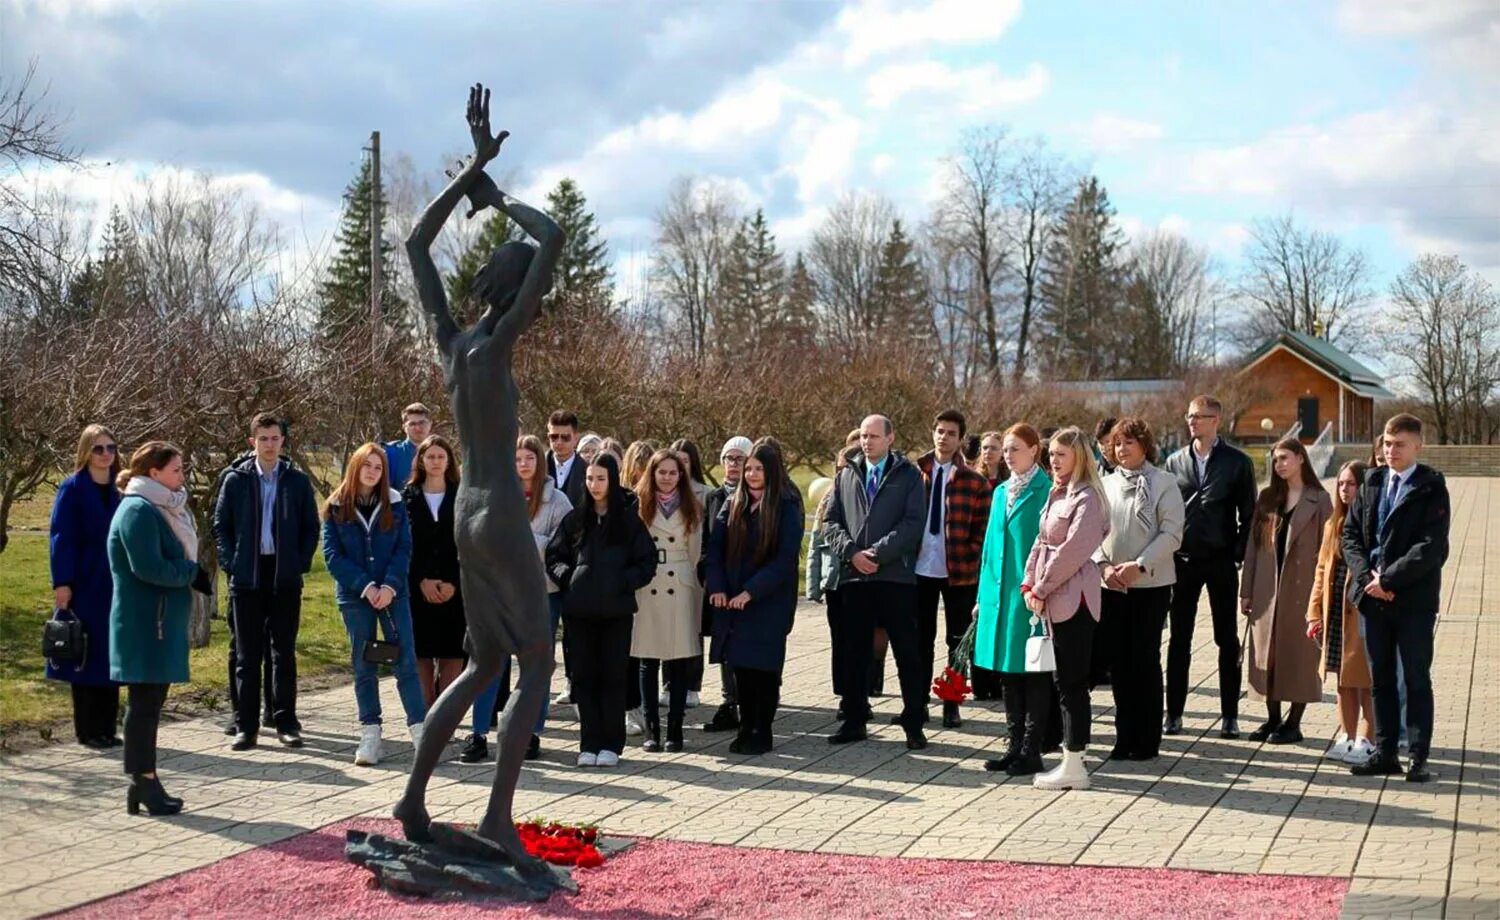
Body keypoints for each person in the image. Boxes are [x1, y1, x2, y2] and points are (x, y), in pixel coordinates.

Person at [1344, 414, 1449, 783]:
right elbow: (1351, 536)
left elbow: (1431, 547)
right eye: (1387, 444)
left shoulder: (1431, 486)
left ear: (1418, 446)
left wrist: (1389, 579)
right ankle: (1386, 752)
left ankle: (1418, 756)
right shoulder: (1372, 481)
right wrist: (1366, 579)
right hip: (1373, 599)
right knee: (1381, 679)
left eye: (1399, 444)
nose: (1391, 451)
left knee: (1416, 678)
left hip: (1413, 601)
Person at [108, 442, 212, 816]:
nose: (182, 475)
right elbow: (148, 567)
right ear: (153, 473)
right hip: (144, 622)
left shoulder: (160, 507)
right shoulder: (138, 510)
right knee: (144, 705)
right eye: (176, 469)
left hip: (159, 620)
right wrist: (190, 572)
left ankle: (145, 781)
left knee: (150, 703)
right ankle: (143, 781)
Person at [213, 412, 320, 750]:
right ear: (252, 442)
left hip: (284, 577)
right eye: (263, 439)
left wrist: (298, 563)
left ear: (282, 441)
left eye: (275, 438)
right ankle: (246, 725)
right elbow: (221, 526)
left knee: (284, 653)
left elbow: (310, 528)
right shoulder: (236, 479)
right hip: (247, 577)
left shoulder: (297, 481)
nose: (270, 445)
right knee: (247, 655)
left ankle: (285, 720)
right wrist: (232, 564)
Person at [822, 414, 930, 751]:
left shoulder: (908, 475)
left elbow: (914, 523)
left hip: (894, 577)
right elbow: (831, 521)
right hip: (855, 577)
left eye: (874, 436)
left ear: (890, 438)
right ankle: (855, 719)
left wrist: (877, 554)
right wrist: (852, 553)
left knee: (906, 652)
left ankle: (914, 721)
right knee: (854, 651)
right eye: (864, 436)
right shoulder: (846, 475)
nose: (867, 442)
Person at [545, 454, 658, 767]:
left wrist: (622, 581)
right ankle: (589, 743)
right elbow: (553, 557)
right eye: (590, 478)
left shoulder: (628, 521)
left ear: (612, 480)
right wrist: (570, 577)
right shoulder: (575, 519)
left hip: (616, 612)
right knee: (584, 677)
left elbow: (648, 561)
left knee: (613, 676)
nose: (594, 485)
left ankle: (611, 744)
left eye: (601, 479)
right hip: (579, 612)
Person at [466, 434, 572, 763]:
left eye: (529, 458)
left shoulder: (558, 501)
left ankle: (530, 732)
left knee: (534, 666)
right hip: (498, 593)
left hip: (540, 594)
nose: (523, 464)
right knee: (489, 664)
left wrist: (525, 543)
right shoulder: (495, 496)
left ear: (540, 462)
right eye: (517, 459)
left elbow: (561, 547)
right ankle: (480, 732)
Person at [322, 443, 428, 766]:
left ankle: (420, 731)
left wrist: (390, 587)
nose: (372, 471)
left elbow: (403, 548)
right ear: (355, 467)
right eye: (366, 465)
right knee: (364, 665)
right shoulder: (336, 507)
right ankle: (370, 734)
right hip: (356, 598)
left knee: (405, 661)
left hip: (393, 595)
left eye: (378, 467)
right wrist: (366, 587)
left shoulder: (394, 504)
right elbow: (332, 557)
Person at [1163, 395, 1257, 739]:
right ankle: (1173, 714)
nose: (1193, 421)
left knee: (1226, 639)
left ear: (1216, 419)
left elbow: (1249, 515)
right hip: (1183, 562)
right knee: (1179, 640)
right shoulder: (1174, 462)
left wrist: (1236, 554)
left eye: (1200, 416)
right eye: (1190, 416)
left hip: (1220, 561)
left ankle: (1230, 715)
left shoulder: (1237, 463)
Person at [1022, 427, 1109, 790]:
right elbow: (1041, 542)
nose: (1053, 461)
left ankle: (1074, 762)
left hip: (1075, 598)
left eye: (1061, 455)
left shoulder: (1088, 499)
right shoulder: (1057, 494)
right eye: (1052, 454)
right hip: (1052, 596)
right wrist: (1028, 583)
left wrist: (1041, 587)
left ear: (1079, 457)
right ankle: (1072, 757)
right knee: (1061, 681)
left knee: (1072, 683)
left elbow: (1071, 552)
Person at [1094, 418, 1184, 762]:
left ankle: (1147, 739)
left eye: (1129, 442)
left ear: (1145, 445)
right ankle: (1123, 736)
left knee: (1144, 660)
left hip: (1151, 583)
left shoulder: (1164, 482)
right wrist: (1103, 566)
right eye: (1117, 444)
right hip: (1113, 585)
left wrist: (1140, 564)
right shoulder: (1104, 485)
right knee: (1119, 663)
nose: (1122, 449)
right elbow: (1094, 532)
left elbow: (1172, 533)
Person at [707, 442, 805, 755]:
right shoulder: (733, 503)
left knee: (763, 671)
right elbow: (715, 549)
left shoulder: (785, 505)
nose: (750, 474)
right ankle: (745, 726)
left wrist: (752, 591)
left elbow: (785, 559)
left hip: (766, 602)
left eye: (757, 469)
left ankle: (762, 729)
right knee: (741, 670)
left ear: (771, 471)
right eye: (748, 468)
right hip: (733, 601)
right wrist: (719, 588)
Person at [973, 424, 1053, 775]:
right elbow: (990, 549)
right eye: (1005, 449)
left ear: (1035, 450)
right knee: (1007, 672)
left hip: (1028, 595)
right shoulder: (1001, 490)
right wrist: (981, 596)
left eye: (1015, 448)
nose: (1008, 455)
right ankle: (1012, 745)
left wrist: (1041, 589)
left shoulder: (1045, 490)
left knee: (1031, 671)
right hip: (998, 594)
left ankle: (1032, 748)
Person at [1240, 437, 1330, 745]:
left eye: (1284, 458)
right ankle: (1273, 719)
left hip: (1304, 589)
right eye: (1275, 459)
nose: (1279, 464)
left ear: (1301, 458)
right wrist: (1247, 590)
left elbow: (1329, 551)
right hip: (1267, 591)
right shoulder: (1267, 498)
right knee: (1267, 655)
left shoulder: (1320, 499)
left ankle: (1294, 723)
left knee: (1300, 656)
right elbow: (1253, 546)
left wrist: (1322, 597)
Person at [47, 424, 124, 749]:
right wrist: (62, 582)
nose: (106, 454)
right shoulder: (73, 488)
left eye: (110, 448)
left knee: (112, 654)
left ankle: (107, 726)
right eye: (98, 448)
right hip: (85, 580)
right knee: (86, 654)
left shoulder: (122, 488)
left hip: (117, 582)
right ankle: (88, 730)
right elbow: (61, 538)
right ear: (86, 451)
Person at [914, 409, 991, 729]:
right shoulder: (914, 473)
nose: (943, 437)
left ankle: (951, 702)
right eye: (939, 431)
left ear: (960, 439)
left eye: (950, 433)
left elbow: (982, 530)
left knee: (957, 641)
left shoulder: (974, 481)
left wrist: (969, 554)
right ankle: (916, 702)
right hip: (919, 569)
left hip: (959, 571)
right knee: (919, 639)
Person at [632, 449, 704, 752]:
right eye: (661, 471)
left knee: (678, 662)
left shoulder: (693, 507)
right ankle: (652, 731)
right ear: (652, 473)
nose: (667, 478)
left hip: (680, 583)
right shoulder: (637, 503)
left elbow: (695, 551)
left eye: (673, 472)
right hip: (647, 583)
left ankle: (675, 730)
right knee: (648, 660)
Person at [1307, 461, 1376, 764]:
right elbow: (1321, 570)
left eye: (1352, 484)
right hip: (1335, 609)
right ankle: (1346, 736)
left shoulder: (1373, 524)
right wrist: (1313, 612)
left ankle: (1369, 738)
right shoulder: (1333, 524)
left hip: (1362, 610)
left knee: (1366, 681)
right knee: (1342, 680)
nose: (1345, 490)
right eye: (1341, 484)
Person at [403, 435, 465, 709]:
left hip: (456, 589)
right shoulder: (406, 497)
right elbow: (402, 546)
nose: (436, 462)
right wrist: (421, 580)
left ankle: (445, 718)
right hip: (418, 591)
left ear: (449, 460)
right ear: (421, 461)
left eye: (441, 456)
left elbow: (468, 543)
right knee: (422, 654)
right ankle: (425, 718)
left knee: (453, 654)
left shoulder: (463, 496)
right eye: (431, 457)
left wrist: (453, 581)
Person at [701, 435, 753, 732]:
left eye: (739, 459)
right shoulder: (714, 497)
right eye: (728, 459)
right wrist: (711, 577)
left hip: (747, 583)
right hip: (721, 583)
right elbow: (709, 543)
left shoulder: (759, 496)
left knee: (747, 643)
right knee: (723, 643)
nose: (733, 465)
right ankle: (728, 702)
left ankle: (750, 701)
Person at [807, 445, 860, 705]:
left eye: (848, 469)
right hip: (835, 582)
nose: (842, 474)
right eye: (839, 469)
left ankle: (859, 693)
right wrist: (813, 585)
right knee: (839, 641)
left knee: (858, 642)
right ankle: (843, 694)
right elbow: (816, 543)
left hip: (860, 580)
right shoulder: (829, 498)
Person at [666, 437, 710, 708]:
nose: (680, 467)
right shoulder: (664, 493)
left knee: (691, 628)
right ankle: (668, 683)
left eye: (684, 462)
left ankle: (692, 684)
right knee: (665, 627)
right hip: (665, 571)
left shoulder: (704, 494)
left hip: (692, 568)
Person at [382, 403, 433, 489]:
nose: (418, 428)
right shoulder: (391, 453)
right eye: (412, 424)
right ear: (404, 427)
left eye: (422, 423)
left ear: (430, 424)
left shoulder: (441, 453)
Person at [546, 411, 588, 510]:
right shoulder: (538, 467)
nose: (559, 442)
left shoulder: (587, 471)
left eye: (565, 437)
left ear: (576, 438)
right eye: (554, 437)